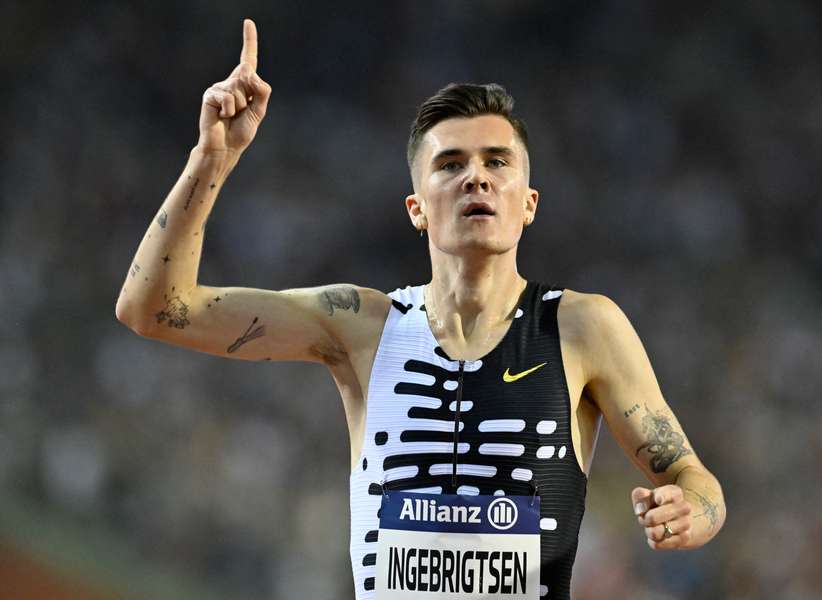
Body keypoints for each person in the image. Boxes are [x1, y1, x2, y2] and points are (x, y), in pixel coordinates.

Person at [115, 18, 725, 599]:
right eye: (451, 164)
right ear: (417, 208)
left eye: (497, 162)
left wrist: (691, 511)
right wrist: (212, 158)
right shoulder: (361, 326)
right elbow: (153, 308)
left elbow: (698, 483)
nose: (476, 179)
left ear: (529, 202)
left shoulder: (581, 327)